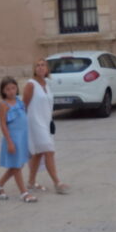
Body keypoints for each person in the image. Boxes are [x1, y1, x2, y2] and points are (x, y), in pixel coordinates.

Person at [24, 58, 69, 194]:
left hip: (45, 123)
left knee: (38, 154)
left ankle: (31, 182)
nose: (40, 67)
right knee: (49, 150)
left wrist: (51, 121)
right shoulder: (30, 85)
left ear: (47, 69)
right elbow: (23, 105)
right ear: (34, 69)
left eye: (43, 65)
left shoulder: (47, 84)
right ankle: (57, 183)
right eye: (37, 65)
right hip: (34, 123)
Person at [0, 76, 36, 203]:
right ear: (3, 91)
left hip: (23, 137)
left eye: (13, 88)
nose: (11, 91)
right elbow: (2, 124)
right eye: (8, 89)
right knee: (17, 166)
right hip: (13, 138)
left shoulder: (19, 101)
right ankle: (24, 193)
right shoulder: (3, 105)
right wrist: (9, 142)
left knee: (17, 165)